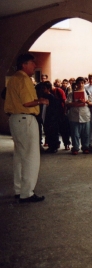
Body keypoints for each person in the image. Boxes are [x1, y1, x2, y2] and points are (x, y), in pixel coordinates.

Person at [4, 54, 48, 203]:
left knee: (20, 156)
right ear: (24, 64)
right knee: (31, 157)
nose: (34, 66)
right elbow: (27, 102)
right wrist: (41, 100)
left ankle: (19, 189)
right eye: (32, 64)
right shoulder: (23, 79)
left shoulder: (13, 79)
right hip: (26, 119)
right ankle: (27, 192)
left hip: (15, 119)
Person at [66, 77, 92, 155]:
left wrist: (86, 101)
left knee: (86, 133)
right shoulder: (71, 93)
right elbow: (67, 103)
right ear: (77, 84)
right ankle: (75, 147)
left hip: (85, 115)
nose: (81, 85)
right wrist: (76, 102)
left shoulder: (88, 93)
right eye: (79, 83)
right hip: (74, 115)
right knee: (75, 134)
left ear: (84, 83)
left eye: (82, 83)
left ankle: (85, 147)